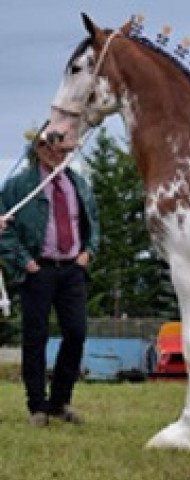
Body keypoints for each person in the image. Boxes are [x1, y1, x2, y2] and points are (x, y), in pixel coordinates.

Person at [0, 140, 99, 426]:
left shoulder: (77, 184)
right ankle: (37, 406)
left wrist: (88, 252)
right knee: (35, 337)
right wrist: (24, 261)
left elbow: (93, 221)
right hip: (38, 270)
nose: (58, 155)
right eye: (51, 149)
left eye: (63, 151)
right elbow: (5, 228)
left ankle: (60, 401)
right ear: (39, 150)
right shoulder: (20, 187)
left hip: (72, 270)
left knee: (76, 332)